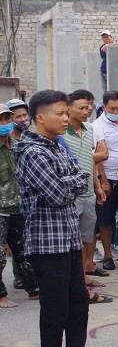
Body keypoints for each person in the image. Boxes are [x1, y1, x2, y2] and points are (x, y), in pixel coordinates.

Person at [15, 90, 110, 347]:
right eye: (60, 113)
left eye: (66, 113)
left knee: (78, 299)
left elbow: (82, 179)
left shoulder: (57, 146)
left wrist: (70, 180)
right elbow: (57, 194)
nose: (66, 118)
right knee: (55, 305)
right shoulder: (33, 152)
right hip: (47, 241)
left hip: (68, 238)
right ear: (40, 118)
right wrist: (71, 180)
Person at [65, 89, 112, 298]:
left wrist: (98, 186)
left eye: (89, 107)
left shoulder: (90, 129)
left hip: (89, 193)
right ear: (69, 108)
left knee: (87, 237)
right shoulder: (61, 133)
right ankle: (73, 282)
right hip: (70, 196)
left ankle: (83, 275)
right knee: (71, 240)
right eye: (82, 107)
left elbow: (90, 162)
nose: (87, 111)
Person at [0, 104, 40, 307]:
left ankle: (33, 288)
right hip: (0, 210)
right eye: (1, 120)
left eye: (8, 119)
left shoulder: (17, 145)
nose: (5, 123)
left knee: (23, 252)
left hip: (19, 207)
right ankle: (1, 295)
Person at [93, 90, 118, 270]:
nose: (116, 111)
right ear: (104, 108)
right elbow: (99, 155)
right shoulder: (97, 126)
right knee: (106, 219)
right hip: (108, 177)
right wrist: (103, 181)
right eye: (112, 108)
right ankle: (108, 255)